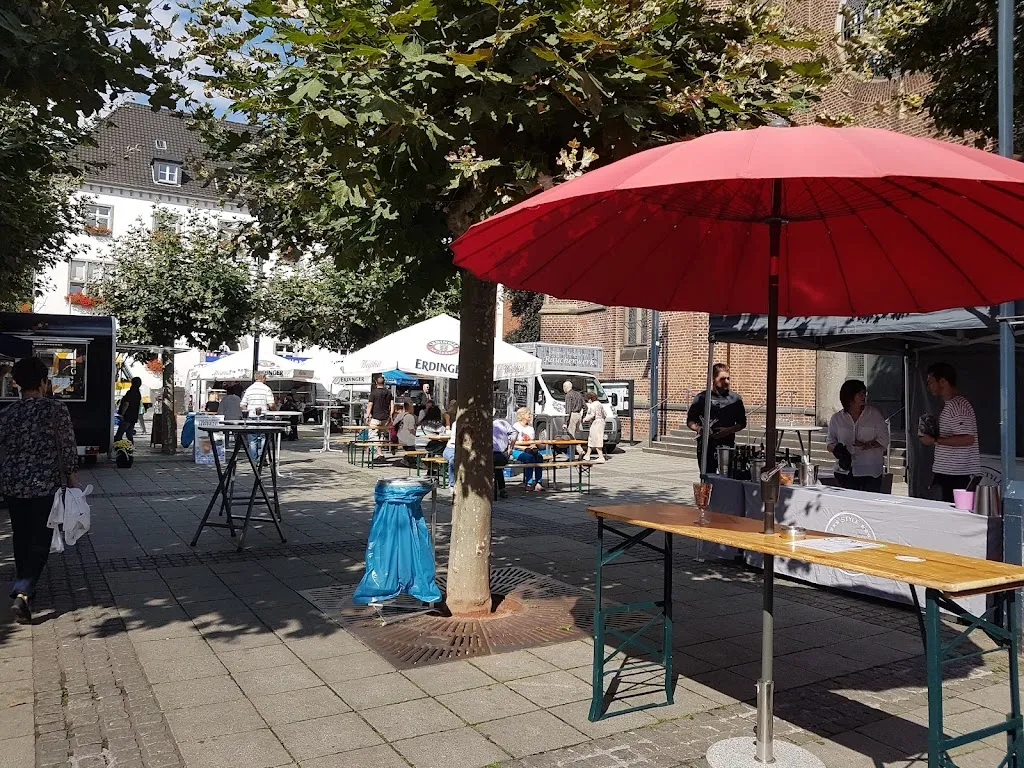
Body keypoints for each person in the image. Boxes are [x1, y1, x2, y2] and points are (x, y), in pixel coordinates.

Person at [0, 357, 80, 623]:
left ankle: (26, 586)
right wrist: (71, 478)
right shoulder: (56, 409)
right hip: (45, 484)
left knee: (21, 535)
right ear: (44, 382)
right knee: (41, 540)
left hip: (12, 484)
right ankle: (23, 591)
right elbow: (67, 445)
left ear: (17, 384)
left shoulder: (7, 413)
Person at [920, 362, 981, 502]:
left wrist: (935, 440)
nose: (928, 386)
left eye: (930, 382)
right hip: (949, 473)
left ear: (943, 381)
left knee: (954, 515)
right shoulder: (951, 405)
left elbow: (967, 439)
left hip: (957, 476)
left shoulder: (957, 405)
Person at [826, 379, 890, 493]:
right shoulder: (837, 418)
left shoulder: (874, 415)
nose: (863, 396)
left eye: (864, 393)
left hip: (870, 472)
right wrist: (838, 449)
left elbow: (885, 439)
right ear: (850, 397)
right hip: (845, 471)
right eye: (860, 394)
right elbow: (830, 442)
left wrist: (868, 444)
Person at [686, 363, 747, 474]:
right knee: (707, 478)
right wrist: (699, 429)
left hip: (727, 445)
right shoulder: (701, 398)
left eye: (728, 378)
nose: (727, 381)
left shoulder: (735, 399)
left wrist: (727, 430)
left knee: (727, 478)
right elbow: (690, 420)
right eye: (723, 378)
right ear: (713, 378)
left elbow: (742, 423)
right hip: (706, 446)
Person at [511, 407, 545, 491]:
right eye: (528, 414)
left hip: (529, 450)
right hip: (517, 450)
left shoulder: (530, 428)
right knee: (529, 458)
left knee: (539, 457)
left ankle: (538, 483)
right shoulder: (515, 427)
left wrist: (533, 445)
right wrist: (523, 447)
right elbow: (512, 443)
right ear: (522, 415)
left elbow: (532, 441)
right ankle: (528, 483)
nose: (530, 416)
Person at [493, 416, 515, 499]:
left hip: (499, 454)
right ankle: (502, 489)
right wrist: (510, 448)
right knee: (497, 467)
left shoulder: (500, 423)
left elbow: (514, 433)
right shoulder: (502, 424)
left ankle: (500, 489)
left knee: (496, 463)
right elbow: (515, 433)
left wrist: (510, 448)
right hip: (499, 455)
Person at [366, 376, 394, 441]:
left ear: (376, 383)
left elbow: (370, 404)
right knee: (382, 435)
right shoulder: (389, 393)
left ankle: (378, 450)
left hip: (375, 417)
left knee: (373, 435)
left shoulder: (374, 393)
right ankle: (380, 448)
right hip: (385, 417)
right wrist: (390, 415)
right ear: (384, 383)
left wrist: (367, 416)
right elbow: (392, 405)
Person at [115, 377, 143, 442]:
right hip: (133, 416)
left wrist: (122, 414)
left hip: (127, 416)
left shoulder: (130, 392)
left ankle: (118, 448)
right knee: (129, 434)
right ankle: (130, 447)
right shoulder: (138, 393)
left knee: (119, 434)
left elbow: (126, 404)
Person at [562, 380, 586, 457]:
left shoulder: (568, 395)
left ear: (566, 387)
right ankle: (578, 451)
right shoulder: (579, 394)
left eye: (563, 387)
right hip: (578, 415)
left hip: (572, 415)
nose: (563, 389)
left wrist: (565, 422)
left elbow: (568, 410)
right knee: (576, 435)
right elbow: (585, 407)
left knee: (571, 435)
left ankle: (577, 452)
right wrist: (583, 416)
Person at [581, 392, 606, 463]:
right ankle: (587, 455)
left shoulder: (592, 405)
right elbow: (605, 414)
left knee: (597, 438)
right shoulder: (600, 404)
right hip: (601, 421)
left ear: (590, 399)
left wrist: (585, 419)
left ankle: (601, 457)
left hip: (596, 422)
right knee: (591, 438)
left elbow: (591, 414)